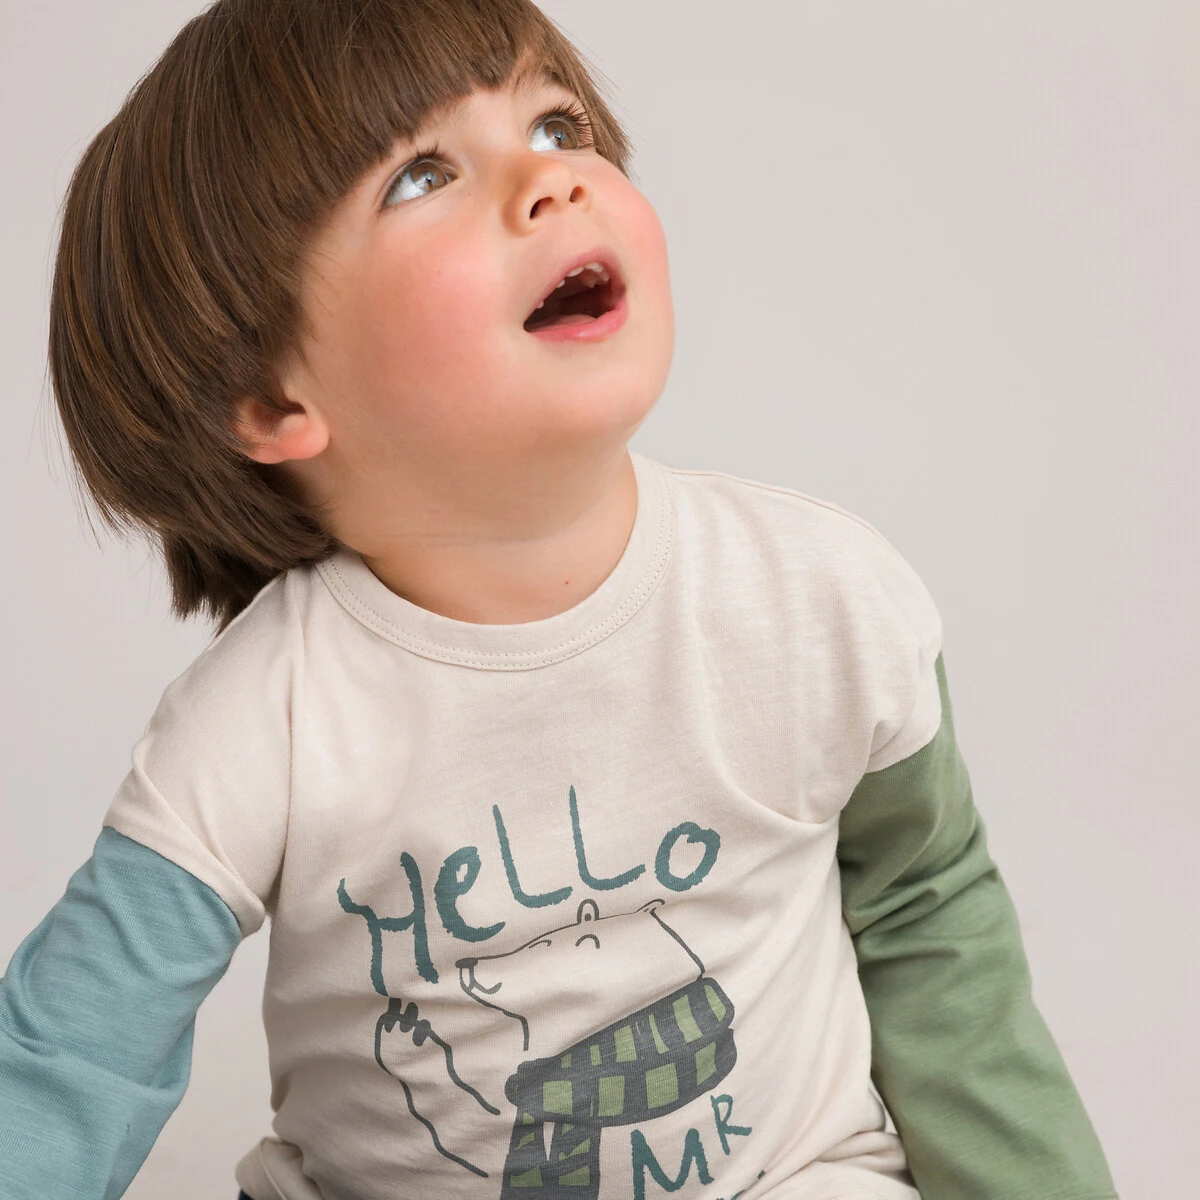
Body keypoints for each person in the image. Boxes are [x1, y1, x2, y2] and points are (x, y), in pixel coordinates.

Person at [0, 1, 1120, 1198]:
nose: (552, 180)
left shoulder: (814, 599)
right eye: (423, 174)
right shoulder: (267, 719)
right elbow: (74, 1058)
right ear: (275, 400)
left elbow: (927, 913)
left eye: (557, 122)